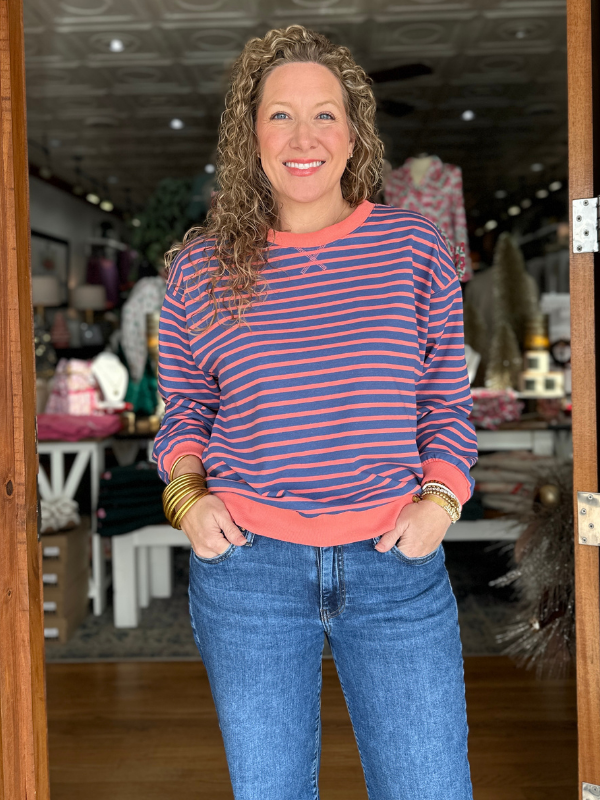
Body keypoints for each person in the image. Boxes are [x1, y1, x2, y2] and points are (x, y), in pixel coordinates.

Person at [153, 24, 477, 800]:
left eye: (325, 113)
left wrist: (442, 499)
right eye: (281, 115)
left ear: (355, 130)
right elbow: (185, 411)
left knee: (428, 789)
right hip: (248, 572)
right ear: (250, 135)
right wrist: (186, 501)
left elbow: (446, 401)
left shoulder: (415, 248)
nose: (304, 136)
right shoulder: (200, 267)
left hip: (395, 566)